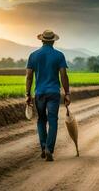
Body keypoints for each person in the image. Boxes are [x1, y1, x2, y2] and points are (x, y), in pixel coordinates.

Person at [25, 30, 71, 161]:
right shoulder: (59, 55)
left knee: (41, 120)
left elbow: (29, 77)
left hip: (39, 93)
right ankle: (49, 149)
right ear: (53, 41)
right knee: (53, 120)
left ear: (42, 40)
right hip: (53, 93)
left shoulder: (33, 55)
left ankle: (44, 145)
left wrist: (27, 94)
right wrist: (67, 93)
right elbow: (63, 75)